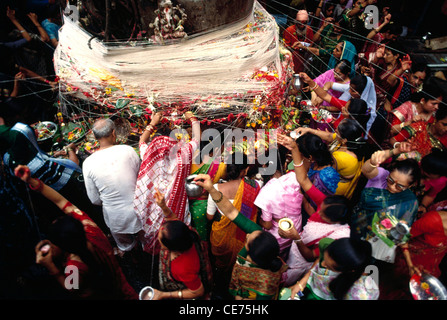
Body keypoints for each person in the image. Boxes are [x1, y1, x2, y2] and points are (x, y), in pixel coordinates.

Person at [14, 165, 138, 300]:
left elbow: (71, 288)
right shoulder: (89, 228)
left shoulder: (74, 267)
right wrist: (31, 181)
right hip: (121, 284)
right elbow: (61, 201)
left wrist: (50, 267)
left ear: (62, 247)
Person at [194, 174, 287, 300]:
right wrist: (211, 189)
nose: (247, 234)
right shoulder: (258, 232)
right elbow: (231, 212)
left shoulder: (266, 285)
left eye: (247, 240)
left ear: (253, 258)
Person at [276, 133, 351, 286]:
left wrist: (296, 237)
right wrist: (294, 148)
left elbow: (310, 256)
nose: (318, 210)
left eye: (321, 213)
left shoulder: (335, 238)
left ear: (331, 222)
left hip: (302, 261)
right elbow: (303, 180)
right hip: (297, 245)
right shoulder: (323, 202)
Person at [134, 110, 200, 255]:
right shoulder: (183, 154)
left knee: (156, 234)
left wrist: (152, 123)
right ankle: (173, 250)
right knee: (174, 234)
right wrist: (193, 119)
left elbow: (142, 141)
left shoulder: (149, 154)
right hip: (176, 207)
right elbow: (197, 139)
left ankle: (155, 250)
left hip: (152, 206)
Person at [82, 118, 143, 255]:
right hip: (139, 210)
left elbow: (94, 200)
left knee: (126, 247)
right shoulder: (128, 150)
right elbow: (141, 179)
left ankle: (133, 261)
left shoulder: (87, 163)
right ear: (114, 133)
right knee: (146, 242)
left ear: (95, 137)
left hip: (115, 218)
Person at [350, 143, 421, 257]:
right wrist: (393, 152)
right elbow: (366, 169)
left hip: (374, 241)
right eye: (391, 181)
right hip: (354, 224)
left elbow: (400, 232)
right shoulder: (382, 176)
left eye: (399, 186)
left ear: (410, 186)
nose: (392, 187)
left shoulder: (410, 202)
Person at [141, 188, 212, 300]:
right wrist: (163, 205)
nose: (158, 239)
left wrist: (163, 295)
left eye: (160, 241)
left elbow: (198, 291)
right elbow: (172, 219)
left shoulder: (183, 268)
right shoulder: (186, 233)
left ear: (172, 248)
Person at [206, 152, 261, 272]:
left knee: (221, 269)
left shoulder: (215, 189)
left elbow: (209, 217)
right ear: (245, 170)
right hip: (243, 238)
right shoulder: (255, 186)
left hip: (220, 239)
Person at [379, 205, 447, 300]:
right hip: (408, 262)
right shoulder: (433, 220)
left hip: (431, 266)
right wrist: (410, 265)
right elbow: (402, 238)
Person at [296, 118, 366, 199]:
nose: (335, 130)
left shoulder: (343, 157)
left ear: (344, 140)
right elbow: (329, 136)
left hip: (335, 187)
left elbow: (322, 164)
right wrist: (308, 130)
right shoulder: (347, 140)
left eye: (337, 131)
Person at [288, 237, 379, 300]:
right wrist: (302, 281)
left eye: (330, 266)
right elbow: (319, 260)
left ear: (347, 270)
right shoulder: (330, 247)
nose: (322, 264)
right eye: (324, 258)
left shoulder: (361, 295)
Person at [254, 168, 304, 261]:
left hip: (279, 235)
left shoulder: (267, 192)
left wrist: (258, 219)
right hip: (295, 228)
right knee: (285, 256)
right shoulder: (293, 178)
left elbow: (268, 225)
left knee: (273, 257)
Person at [300, 72, 371, 131]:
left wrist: (329, 134)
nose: (342, 108)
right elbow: (325, 96)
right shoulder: (348, 105)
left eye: (345, 110)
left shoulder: (351, 130)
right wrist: (310, 81)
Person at [188, 140, 226, 242]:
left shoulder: (189, 164)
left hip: (187, 205)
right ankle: (203, 254)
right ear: (211, 152)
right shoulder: (219, 166)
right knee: (202, 236)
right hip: (204, 207)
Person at [295, 132, 340, 213]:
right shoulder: (321, 158)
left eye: (300, 154)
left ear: (310, 157)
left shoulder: (324, 178)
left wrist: (300, 194)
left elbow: (312, 211)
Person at [283, 10, 314, 74]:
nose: (302, 26)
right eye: (299, 23)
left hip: (305, 58)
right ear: (296, 22)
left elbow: (311, 44)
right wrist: (295, 48)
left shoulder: (309, 30)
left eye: (304, 23)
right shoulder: (289, 30)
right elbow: (285, 46)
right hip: (293, 58)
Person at [418, 150, 447, 215]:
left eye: (431, 178)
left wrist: (423, 206)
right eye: (425, 176)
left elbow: (430, 195)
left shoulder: (441, 181)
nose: (427, 180)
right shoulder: (416, 165)